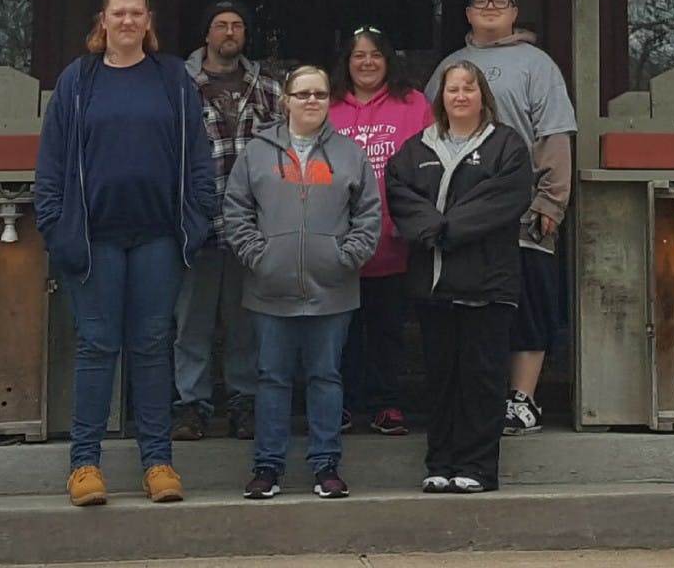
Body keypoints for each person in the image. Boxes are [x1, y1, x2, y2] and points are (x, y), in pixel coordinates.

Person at [35, 0, 214, 507]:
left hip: (159, 237)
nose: (128, 22)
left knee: (152, 347)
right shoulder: (79, 80)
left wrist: (197, 217)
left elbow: (198, 157)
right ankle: (84, 465)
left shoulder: (173, 78)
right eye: (119, 14)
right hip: (93, 241)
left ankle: (158, 463)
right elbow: (51, 163)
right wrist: (54, 224)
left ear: (148, 22)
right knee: (96, 347)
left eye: (137, 13)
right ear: (104, 22)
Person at [424, 0, 576, 435]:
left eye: (501, 1)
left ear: (514, 13)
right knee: (471, 305)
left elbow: (554, 135)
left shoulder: (537, 64)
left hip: (524, 208)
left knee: (527, 301)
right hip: (463, 214)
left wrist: (551, 200)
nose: (490, 7)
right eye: (481, 1)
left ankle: (523, 398)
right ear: (467, 13)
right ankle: (480, 396)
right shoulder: (450, 65)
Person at [223, 65, 382, 500]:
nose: (312, 101)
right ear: (286, 100)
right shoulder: (257, 152)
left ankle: (326, 466)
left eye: (320, 94)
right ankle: (267, 468)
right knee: (271, 378)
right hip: (269, 290)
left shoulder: (350, 154)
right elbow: (236, 211)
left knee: (326, 377)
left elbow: (370, 215)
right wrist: (260, 257)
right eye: (303, 94)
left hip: (333, 290)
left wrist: (344, 259)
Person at [387, 61, 532, 493]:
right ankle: (441, 462)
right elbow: (401, 194)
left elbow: (503, 199)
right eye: (453, 88)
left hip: (488, 286)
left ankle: (478, 467)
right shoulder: (416, 150)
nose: (461, 95)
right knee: (442, 379)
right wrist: (432, 227)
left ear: (482, 96)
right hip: (436, 287)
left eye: (469, 87)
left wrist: (445, 228)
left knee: (482, 380)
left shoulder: (507, 146)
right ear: (442, 98)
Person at [173, 0, 284, 441]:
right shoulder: (178, 85)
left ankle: (244, 401)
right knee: (191, 322)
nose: (230, 32)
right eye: (221, 24)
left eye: (237, 25)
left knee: (246, 322)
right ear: (207, 34)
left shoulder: (270, 90)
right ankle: (190, 404)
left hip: (251, 227)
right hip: (194, 222)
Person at [328, 25, 432, 436]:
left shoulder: (414, 103)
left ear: (389, 61)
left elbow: (427, 164)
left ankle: (387, 402)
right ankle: (345, 403)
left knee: (388, 328)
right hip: (340, 241)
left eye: (375, 55)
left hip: (394, 238)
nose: (367, 62)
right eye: (358, 56)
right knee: (343, 330)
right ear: (346, 64)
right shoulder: (330, 106)